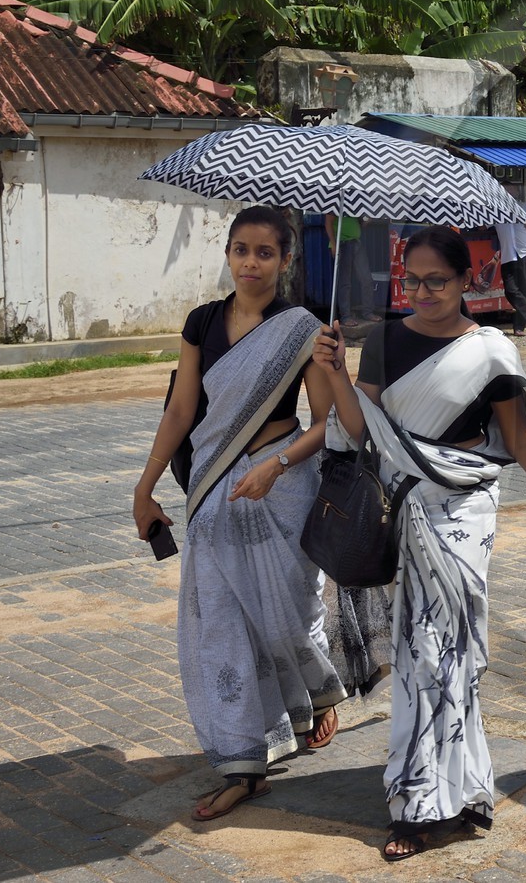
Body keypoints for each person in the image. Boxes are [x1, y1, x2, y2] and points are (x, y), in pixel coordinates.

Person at [310, 225, 526, 862]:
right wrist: (334, 377)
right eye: (414, 280)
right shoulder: (383, 340)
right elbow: (362, 430)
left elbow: (517, 439)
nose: (425, 292)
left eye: (439, 280)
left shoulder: (490, 352)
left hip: (465, 507)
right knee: (422, 652)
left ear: (468, 282)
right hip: (406, 507)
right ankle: (422, 801)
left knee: (452, 649)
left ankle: (459, 793)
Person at [132, 205, 347, 822]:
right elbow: (181, 412)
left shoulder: (305, 328)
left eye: (265, 253)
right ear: (227, 254)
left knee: (284, 617)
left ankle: (317, 687)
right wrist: (145, 487)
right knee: (218, 625)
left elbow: (326, 425)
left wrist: (275, 467)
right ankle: (243, 762)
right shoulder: (201, 322)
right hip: (212, 490)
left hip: (280, 484)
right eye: (240, 250)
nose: (250, 263)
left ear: (284, 260)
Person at [328, 214, 379, 322]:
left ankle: (368, 312)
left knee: (367, 279)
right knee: (345, 282)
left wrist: (367, 220)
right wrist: (333, 243)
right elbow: (328, 223)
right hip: (341, 243)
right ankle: (346, 317)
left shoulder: (354, 201)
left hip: (356, 242)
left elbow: (361, 224)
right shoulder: (336, 200)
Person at [494, 218, 526, 336]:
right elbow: (484, 225)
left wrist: (523, 220)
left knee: (524, 291)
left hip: (524, 252)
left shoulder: (524, 207)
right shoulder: (496, 210)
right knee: (510, 290)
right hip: (508, 255)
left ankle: (519, 327)